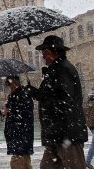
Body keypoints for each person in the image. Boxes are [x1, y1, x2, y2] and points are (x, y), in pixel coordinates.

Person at [26, 35, 88, 169]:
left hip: (66, 133)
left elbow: (63, 100)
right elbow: (53, 95)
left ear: (50, 52)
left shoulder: (63, 70)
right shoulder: (56, 70)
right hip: (56, 133)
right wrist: (36, 93)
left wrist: (38, 94)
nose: (42, 57)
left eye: (44, 53)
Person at [4, 75, 34, 169]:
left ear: (15, 83)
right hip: (19, 136)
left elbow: (24, 114)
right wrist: (5, 111)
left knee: (17, 163)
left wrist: (10, 112)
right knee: (25, 163)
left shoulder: (21, 95)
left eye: (10, 85)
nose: (10, 88)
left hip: (20, 135)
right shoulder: (16, 95)